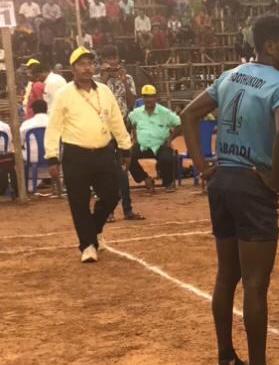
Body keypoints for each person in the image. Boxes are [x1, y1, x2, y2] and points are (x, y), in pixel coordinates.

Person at [180, 15, 279, 365]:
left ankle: (226, 359)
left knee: (226, 276)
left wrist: (202, 166)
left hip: (222, 181)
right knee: (256, 283)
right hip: (252, 183)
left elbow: (188, 114)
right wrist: (276, 180)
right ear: (268, 46)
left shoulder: (231, 76)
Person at [44, 47, 132, 263]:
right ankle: (88, 245)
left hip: (103, 151)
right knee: (79, 201)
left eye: (90, 63)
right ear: (73, 68)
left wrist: (125, 146)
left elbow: (116, 121)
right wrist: (52, 156)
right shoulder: (64, 94)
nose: (87, 68)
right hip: (76, 154)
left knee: (112, 195)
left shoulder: (104, 91)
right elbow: (54, 126)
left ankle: (94, 229)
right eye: (82, 64)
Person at [100, 46, 144, 220]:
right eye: (108, 58)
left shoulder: (127, 78)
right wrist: (104, 78)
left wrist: (124, 81)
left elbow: (133, 102)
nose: (112, 62)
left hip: (122, 126)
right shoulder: (97, 80)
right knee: (107, 170)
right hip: (103, 128)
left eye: (114, 58)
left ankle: (127, 209)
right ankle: (109, 211)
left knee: (122, 169)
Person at [128, 85, 181, 193]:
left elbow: (180, 124)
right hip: (142, 146)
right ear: (142, 98)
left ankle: (168, 183)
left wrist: (170, 138)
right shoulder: (136, 113)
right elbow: (128, 123)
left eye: (151, 96)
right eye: (145, 96)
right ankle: (145, 178)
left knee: (167, 158)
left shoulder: (165, 112)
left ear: (156, 98)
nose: (148, 99)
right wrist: (131, 137)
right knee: (127, 157)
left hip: (161, 145)